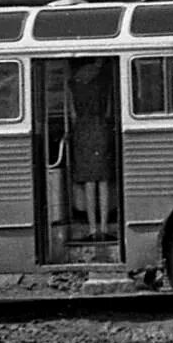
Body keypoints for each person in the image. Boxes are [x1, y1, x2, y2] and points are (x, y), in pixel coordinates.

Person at [67, 59, 116, 240]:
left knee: (89, 182)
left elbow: (72, 114)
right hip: (101, 129)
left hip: (82, 131)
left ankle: (92, 227)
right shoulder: (104, 81)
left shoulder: (73, 83)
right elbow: (109, 111)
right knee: (103, 181)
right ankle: (104, 226)